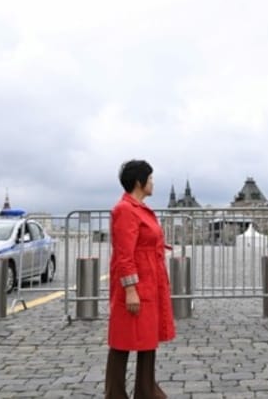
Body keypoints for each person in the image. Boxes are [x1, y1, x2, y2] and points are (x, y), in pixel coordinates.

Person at [105, 160, 175, 398]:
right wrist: (130, 289)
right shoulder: (125, 210)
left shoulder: (139, 208)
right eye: (150, 178)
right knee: (123, 339)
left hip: (149, 279)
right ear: (139, 182)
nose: (153, 182)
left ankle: (146, 389)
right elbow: (124, 254)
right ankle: (116, 393)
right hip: (138, 282)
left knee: (147, 337)